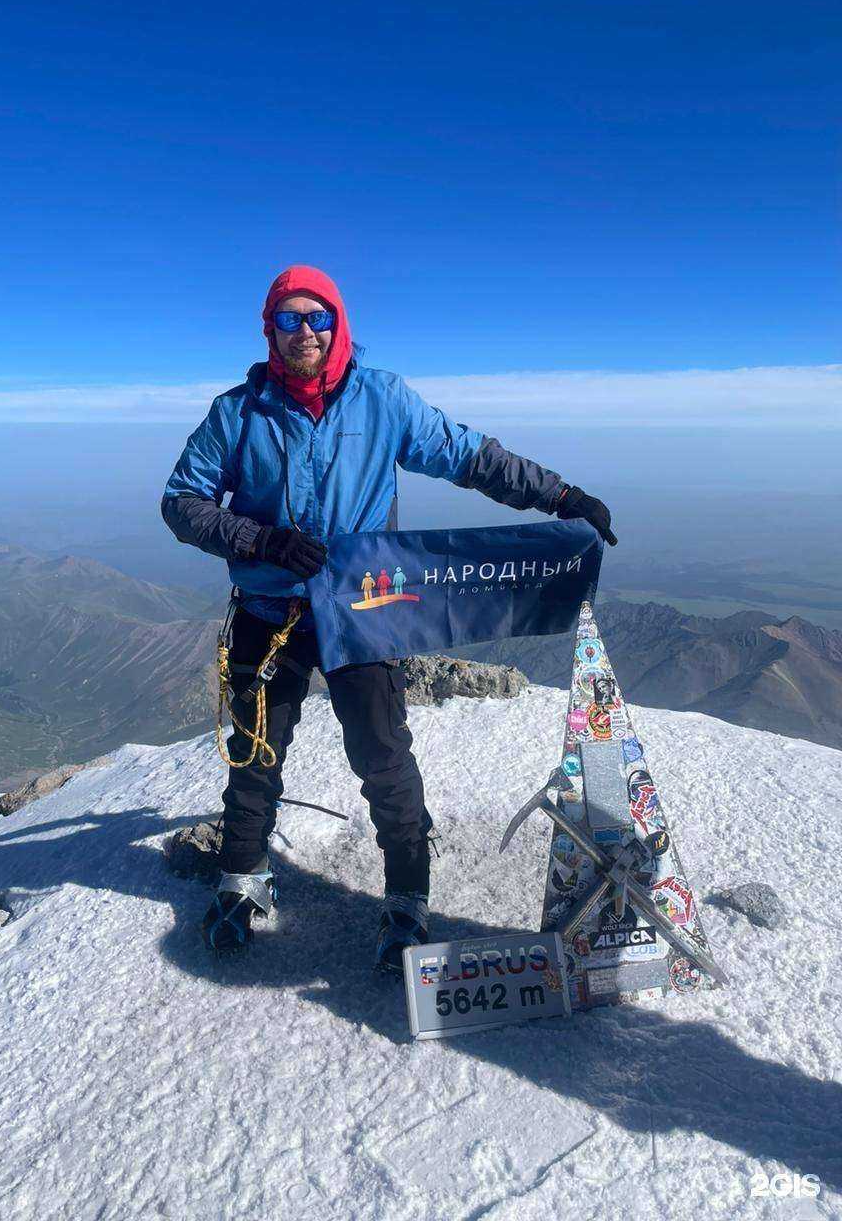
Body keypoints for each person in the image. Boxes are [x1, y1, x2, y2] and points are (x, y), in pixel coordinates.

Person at [161, 264, 616, 971]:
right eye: (289, 318)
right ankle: (243, 877)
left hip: (362, 609)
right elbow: (181, 503)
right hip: (267, 610)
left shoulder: (382, 399)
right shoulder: (237, 413)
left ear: (338, 324)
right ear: (269, 330)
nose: (305, 331)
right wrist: (259, 540)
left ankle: (407, 894)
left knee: (382, 754)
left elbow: (471, 457)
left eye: (317, 317)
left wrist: (561, 497)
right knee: (255, 752)